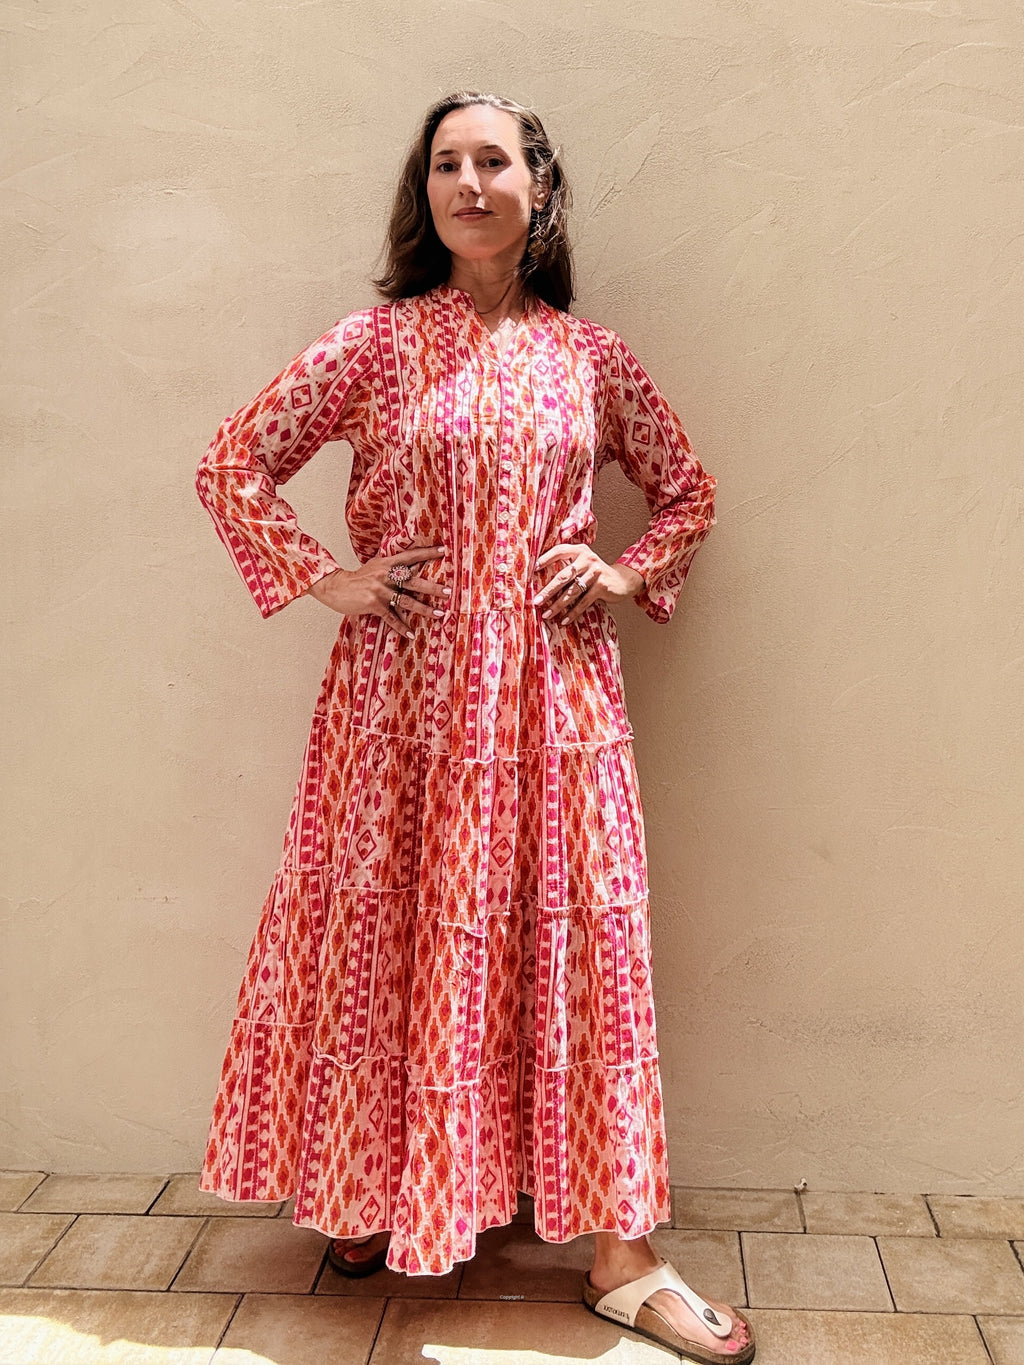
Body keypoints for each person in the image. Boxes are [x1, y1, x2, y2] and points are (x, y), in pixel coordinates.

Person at [195, 90, 753, 1362]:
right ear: (426, 195)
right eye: (445, 164)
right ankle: (374, 1191)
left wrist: (620, 571)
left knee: (584, 956)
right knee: (392, 936)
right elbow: (232, 463)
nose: (468, 183)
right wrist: (323, 573)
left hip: (557, 707)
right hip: (402, 713)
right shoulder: (375, 345)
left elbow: (687, 490)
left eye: (492, 160)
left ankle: (621, 1252)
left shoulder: (591, 358)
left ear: (537, 189)